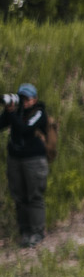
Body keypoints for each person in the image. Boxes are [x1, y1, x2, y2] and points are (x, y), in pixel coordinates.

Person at [3, 83, 54, 248]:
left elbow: (25, 129)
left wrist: (12, 115)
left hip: (34, 160)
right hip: (15, 159)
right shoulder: (16, 111)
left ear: (35, 99)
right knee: (19, 197)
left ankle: (37, 232)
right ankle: (25, 232)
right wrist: (8, 111)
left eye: (27, 98)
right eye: (21, 98)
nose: (24, 102)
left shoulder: (39, 112)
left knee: (34, 196)